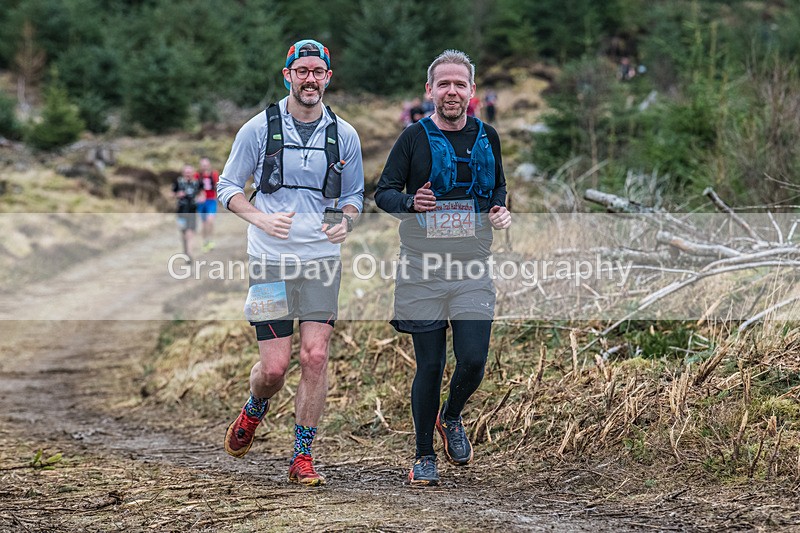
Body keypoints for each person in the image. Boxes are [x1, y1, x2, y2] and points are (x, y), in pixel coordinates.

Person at [217, 39, 364, 486]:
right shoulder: (258, 129)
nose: (310, 79)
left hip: (322, 259)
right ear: (288, 76)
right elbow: (227, 187)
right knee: (275, 369)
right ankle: (255, 406)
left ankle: (303, 457)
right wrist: (260, 217)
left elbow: (356, 196)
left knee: (315, 356)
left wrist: (347, 222)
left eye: (318, 72)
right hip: (268, 261)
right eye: (302, 71)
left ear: (328, 78)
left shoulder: (346, 135)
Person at [374, 49, 511, 486]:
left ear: (472, 91)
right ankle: (422, 454)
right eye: (443, 84)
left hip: (472, 264)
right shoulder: (413, 138)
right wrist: (413, 203)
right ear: (429, 91)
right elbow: (384, 193)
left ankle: (451, 416)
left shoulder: (487, 135)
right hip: (422, 268)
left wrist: (501, 209)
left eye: (460, 84)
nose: (452, 91)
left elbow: (499, 186)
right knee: (429, 366)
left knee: (473, 361)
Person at [172, 164, 199, 260]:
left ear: (193, 173)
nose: (188, 174)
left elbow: (202, 194)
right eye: (186, 172)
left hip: (192, 211)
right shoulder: (178, 182)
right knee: (183, 233)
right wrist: (178, 194)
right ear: (183, 173)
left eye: (190, 172)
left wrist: (200, 199)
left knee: (190, 232)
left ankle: (189, 253)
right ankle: (186, 250)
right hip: (181, 211)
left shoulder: (196, 183)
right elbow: (172, 193)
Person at [194, 157, 219, 252]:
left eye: (206, 165)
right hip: (201, 202)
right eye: (203, 165)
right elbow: (194, 188)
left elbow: (217, 186)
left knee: (210, 221)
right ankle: (205, 242)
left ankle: (211, 240)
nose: (204, 167)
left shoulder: (214, 174)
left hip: (211, 201)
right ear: (200, 166)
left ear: (209, 165)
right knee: (204, 224)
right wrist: (199, 195)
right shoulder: (197, 175)